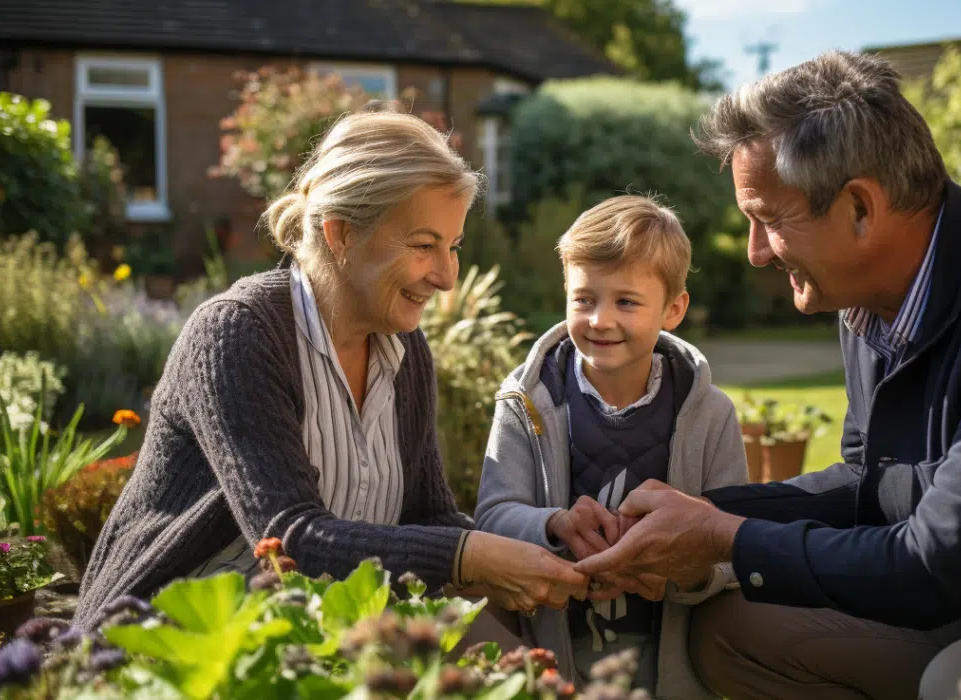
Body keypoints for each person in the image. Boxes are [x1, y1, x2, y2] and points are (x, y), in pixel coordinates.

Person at [574, 51, 961, 699]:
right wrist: (698, 512)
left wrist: (724, 537)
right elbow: (868, 483)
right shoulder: (869, 296)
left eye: (767, 219)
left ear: (859, 207)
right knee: (734, 625)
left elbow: (936, 567)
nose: (755, 251)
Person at [75, 104, 588, 632]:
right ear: (340, 233)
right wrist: (470, 556)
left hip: (297, 644)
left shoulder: (404, 352)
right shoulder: (239, 333)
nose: (446, 277)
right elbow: (290, 541)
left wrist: (549, 542)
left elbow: (428, 520)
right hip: (155, 649)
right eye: (423, 246)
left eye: (452, 247)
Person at [474, 195, 748, 698]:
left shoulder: (710, 414)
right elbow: (492, 517)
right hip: (552, 658)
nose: (600, 319)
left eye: (626, 301)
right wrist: (552, 524)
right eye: (584, 298)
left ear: (673, 309)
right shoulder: (524, 403)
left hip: (672, 664)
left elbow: (735, 546)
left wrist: (679, 574)